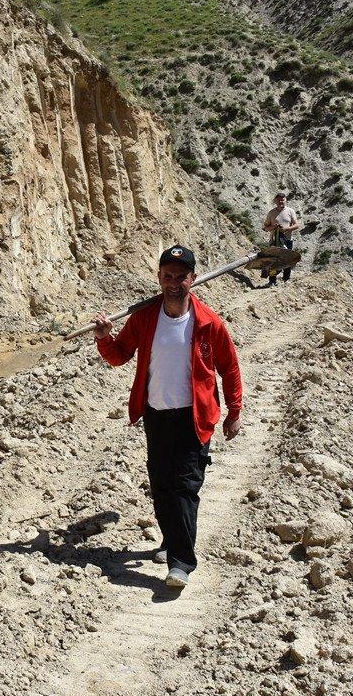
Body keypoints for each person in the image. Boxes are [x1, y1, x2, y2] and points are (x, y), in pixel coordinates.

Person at [91, 245, 244, 589]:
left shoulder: (208, 323)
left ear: (193, 279)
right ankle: (171, 539)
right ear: (159, 278)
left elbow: (229, 368)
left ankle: (181, 563)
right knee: (162, 487)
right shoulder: (145, 318)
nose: (174, 282)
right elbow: (119, 356)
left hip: (195, 417)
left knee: (185, 488)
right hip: (157, 414)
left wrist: (234, 411)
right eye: (167, 276)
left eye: (181, 276)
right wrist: (104, 339)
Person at [261, 192, 300, 286]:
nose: (280, 201)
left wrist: (287, 229)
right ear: (275, 201)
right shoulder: (271, 213)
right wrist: (273, 227)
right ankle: (272, 280)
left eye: (282, 199)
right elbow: (265, 227)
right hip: (274, 240)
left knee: (288, 260)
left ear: (285, 200)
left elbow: (297, 225)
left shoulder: (290, 211)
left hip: (287, 240)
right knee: (273, 261)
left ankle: (286, 279)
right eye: (278, 200)